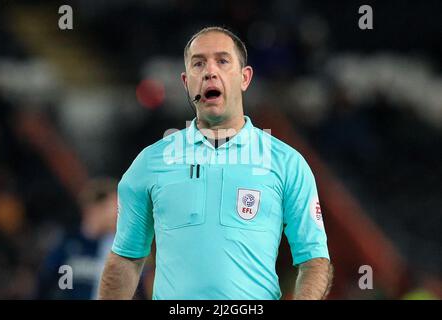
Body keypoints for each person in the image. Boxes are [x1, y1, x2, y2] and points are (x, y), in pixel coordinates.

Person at [99, 26, 333, 300]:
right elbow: (126, 259)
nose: (210, 71)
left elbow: (314, 259)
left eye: (222, 61)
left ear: (245, 78)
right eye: (199, 63)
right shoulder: (150, 163)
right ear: (187, 82)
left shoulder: (287, 163)